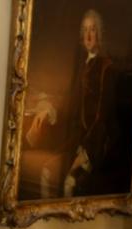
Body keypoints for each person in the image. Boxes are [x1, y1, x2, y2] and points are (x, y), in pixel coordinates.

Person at [26, 9, 118, 198]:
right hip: (77, 139)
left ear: (99, 33)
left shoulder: (106, 67)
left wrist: (87, 149)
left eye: (93, 30)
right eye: (85, 30)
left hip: (96, 142)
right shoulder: (83, 65)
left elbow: (103, 116)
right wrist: (48, 110)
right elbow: (70, 101)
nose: (89, 35)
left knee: (69, 183)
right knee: (47, 172)